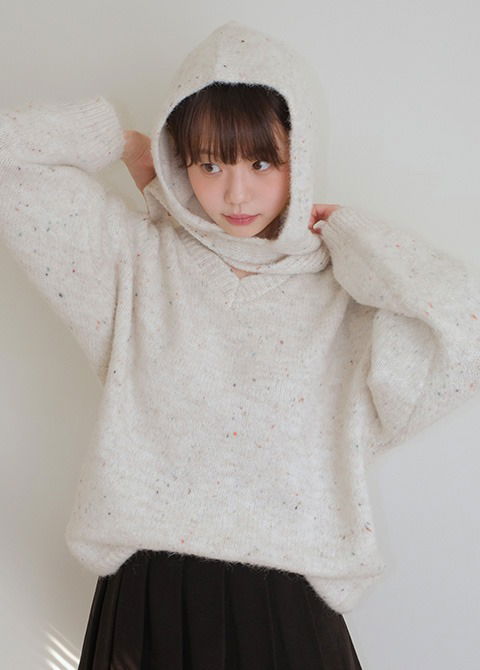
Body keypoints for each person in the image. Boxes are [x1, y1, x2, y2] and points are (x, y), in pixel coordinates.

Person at [1, 19, 479, 670]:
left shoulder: (343, 298)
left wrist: (356, 238)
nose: (235, 192)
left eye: (261, 162)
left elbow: (463, 331)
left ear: (300, 156)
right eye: (209, 163)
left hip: (289, 600)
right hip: (148, 593)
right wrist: (118, 138)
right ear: (179, 161)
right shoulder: (134, 264)